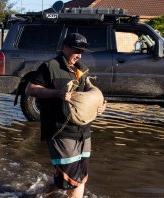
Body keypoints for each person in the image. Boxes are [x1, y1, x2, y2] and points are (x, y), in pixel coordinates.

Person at [25, 33, 106, 197]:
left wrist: (99, 106)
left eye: (82, 51)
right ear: (64, 48)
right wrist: (57, 93)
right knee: (75, 180)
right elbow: (30, 89)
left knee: (79, 177)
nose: (79, 55)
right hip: (60, 131)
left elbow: (87, 96)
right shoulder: (49, 67)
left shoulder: (81, 70)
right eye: (76, 50)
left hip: (83, 132)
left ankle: (40, 192)